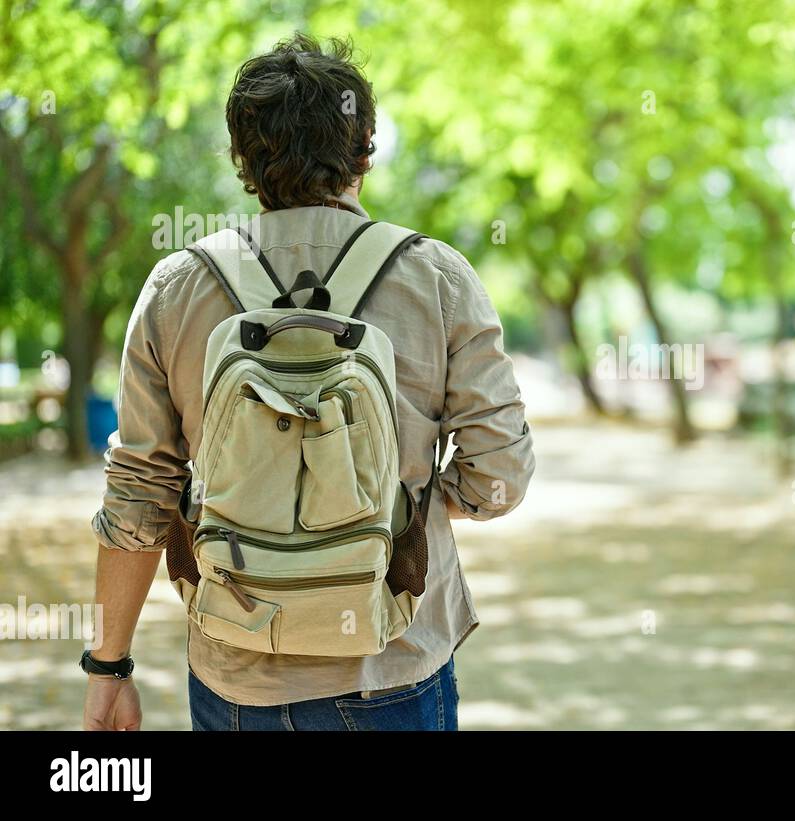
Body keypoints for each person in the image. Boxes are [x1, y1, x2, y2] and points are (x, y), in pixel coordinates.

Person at [82, 34, 535, 731]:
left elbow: (139, 492)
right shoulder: (438, 278)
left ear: (242, 158)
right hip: (392, 662)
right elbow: (499, 473)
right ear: (364, 151)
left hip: (236, 672)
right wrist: (394, 513)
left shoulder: (177, 289)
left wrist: (109, 667)